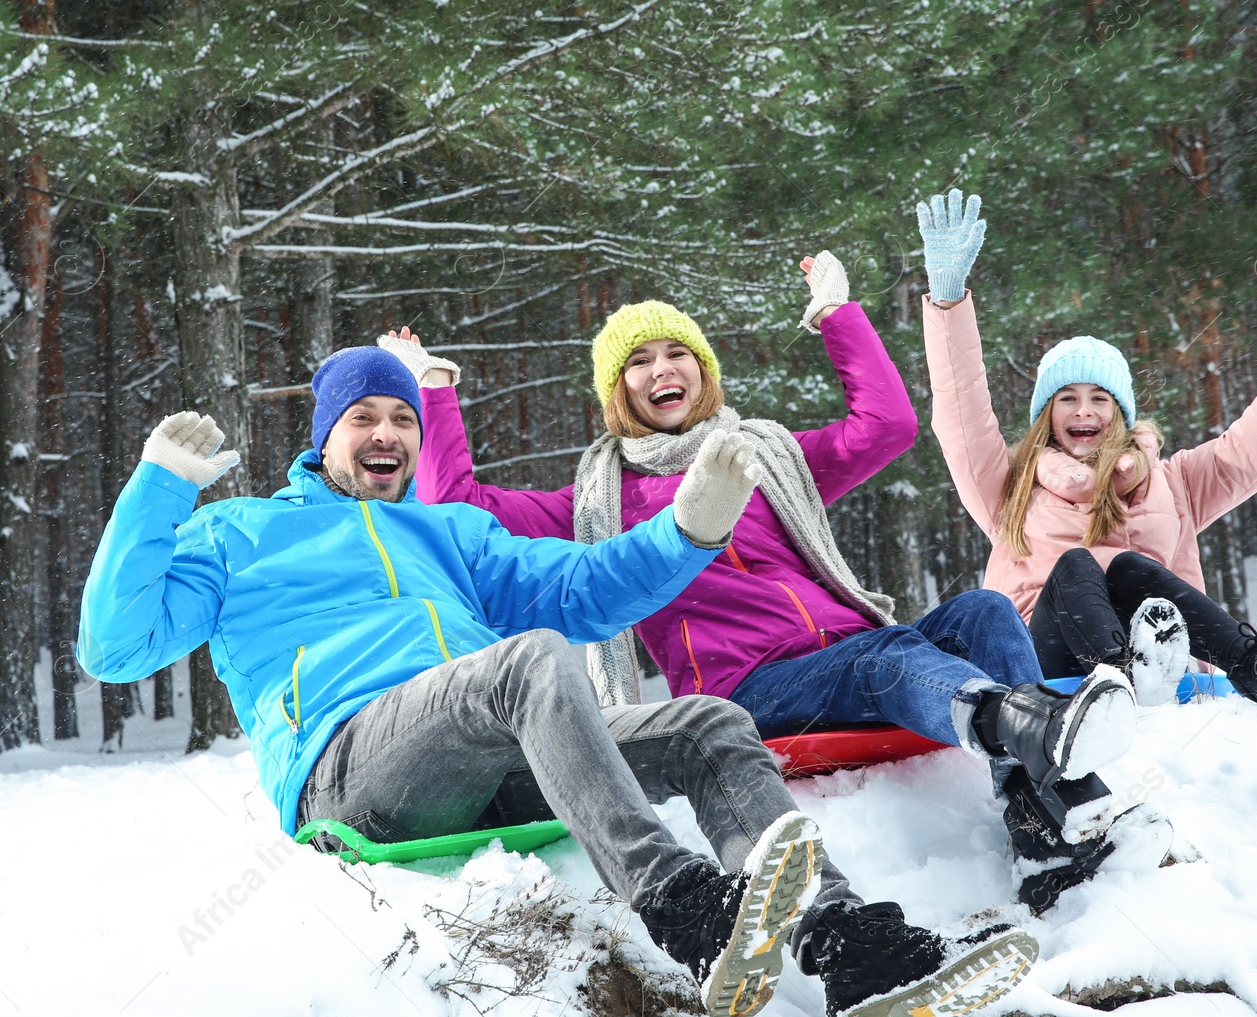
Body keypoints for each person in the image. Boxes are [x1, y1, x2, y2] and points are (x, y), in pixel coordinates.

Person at [77, 346, 1038, 1017]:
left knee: (703, 723)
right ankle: (681, 905)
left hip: (484, 753)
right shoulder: (240, 532)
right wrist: (160, 486)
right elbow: (114, 649)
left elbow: (584, 589)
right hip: (351, 770)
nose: (386, 434)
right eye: (361, 418)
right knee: (526, 661)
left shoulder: (448, 535)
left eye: (401, 419)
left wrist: (692, 527)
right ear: (323, 435)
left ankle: (850, 947)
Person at [397, 253, 1167, 920]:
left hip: (852, 650)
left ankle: (1040, 822)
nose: (663, 369)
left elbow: (886, 426)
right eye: (639, 361)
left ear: (703, 370)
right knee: (883, 654)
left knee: (984, 611)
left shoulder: (760, 459)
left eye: (678, 353)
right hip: (751, 690)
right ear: (617, 389)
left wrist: (838, 315)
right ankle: (1022, 726)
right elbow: (459, 507)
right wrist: (432, 391)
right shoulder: (592, 506)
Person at [917, 189, 1257, 707]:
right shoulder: (1011, 486)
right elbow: (960, 412)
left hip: (1162, 659)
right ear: (1048, 414)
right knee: (1077, 565)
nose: (1083, 411)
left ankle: (1256, 672)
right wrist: (948, 302)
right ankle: (1123, 673)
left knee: (1130, 569)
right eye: (1067, 399)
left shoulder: (1172, 481)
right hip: (1044, 664)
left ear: (1121, 414)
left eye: (1098, 399)